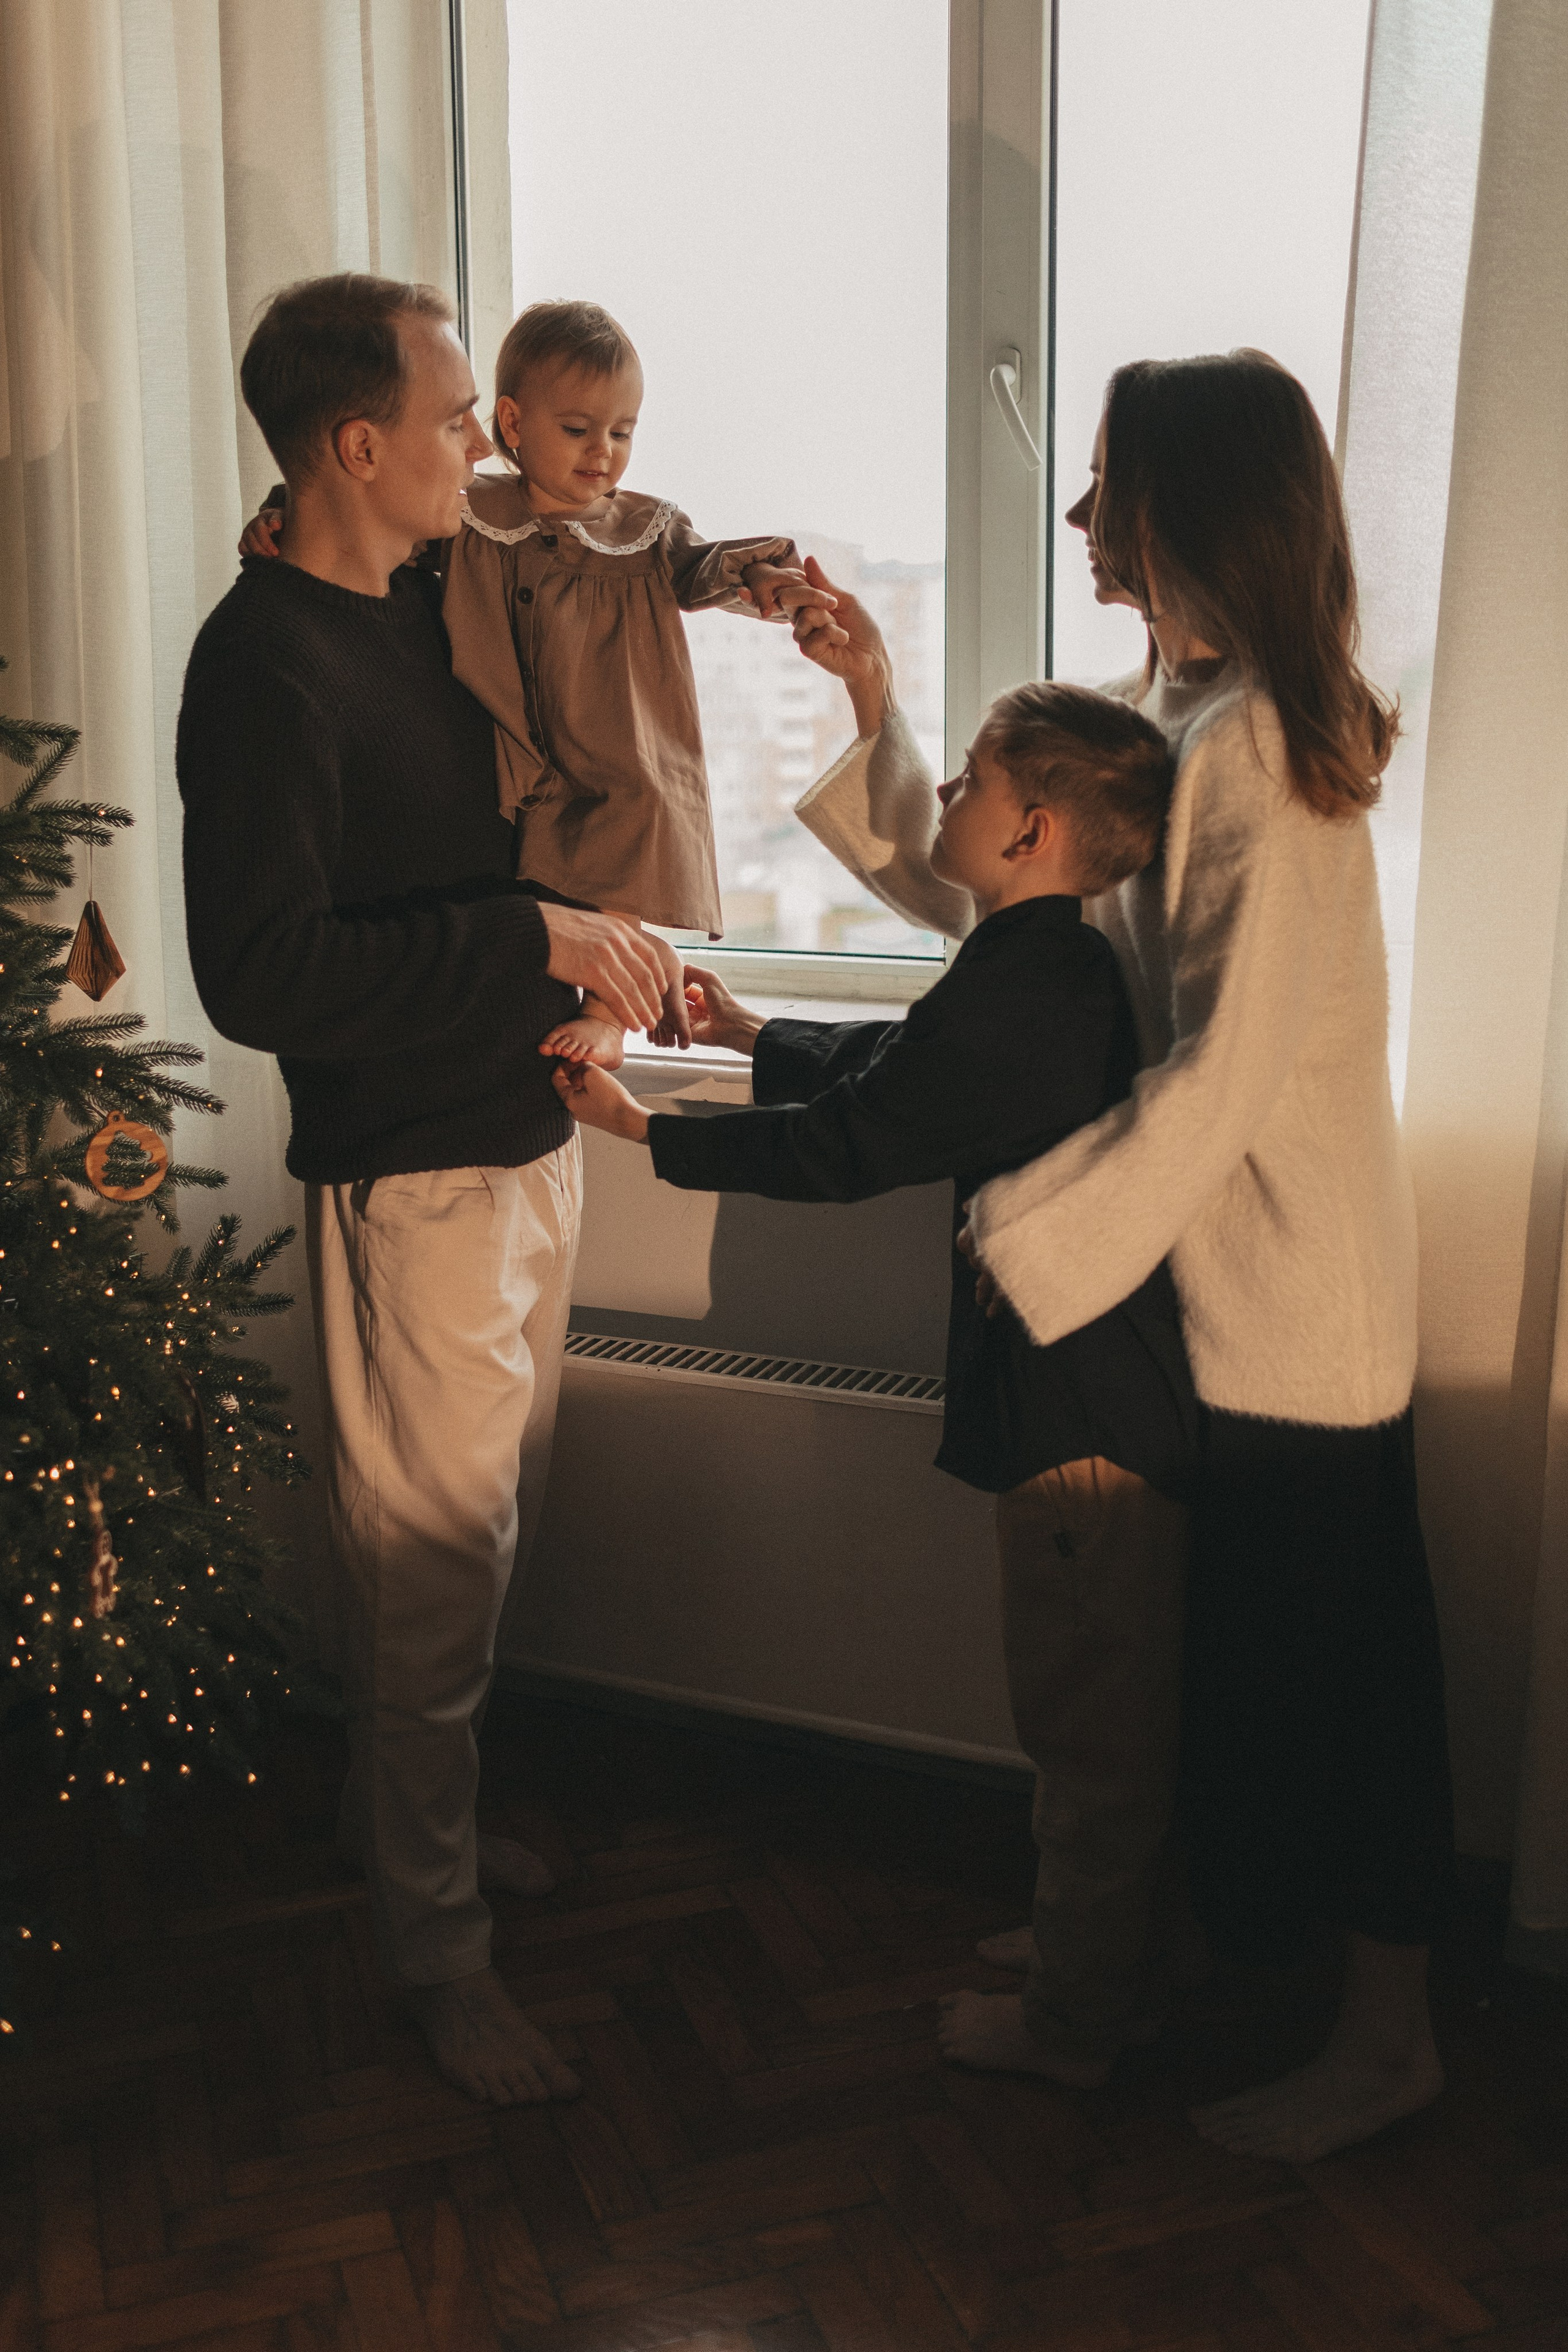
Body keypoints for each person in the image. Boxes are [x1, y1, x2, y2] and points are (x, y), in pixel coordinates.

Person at [788, 349, 1457, 2165]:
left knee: (1341, 1693)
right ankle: (1156, 1950)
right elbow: (1020, 896)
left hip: (1294, 1309)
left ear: (1192, 505)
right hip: (1207, 1294)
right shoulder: (1184, 713)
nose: (1081, 511)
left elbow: (1224, 1069)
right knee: (1216, 1681)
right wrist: (870, 700)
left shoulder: (1260, 751)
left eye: (1107, 481)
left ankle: (1386, 2042)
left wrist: (1020, 1241)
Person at [177, 271, 671, 2109]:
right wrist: (526, 935)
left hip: (522, 1131)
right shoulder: (262, 664)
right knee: (430, 1588)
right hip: (412, 1172)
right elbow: (261, 974)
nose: (484, 442)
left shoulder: (418, 595)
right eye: (458, 415)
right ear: (355, 443)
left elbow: (590, 566)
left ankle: (410, 1844)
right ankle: (436, 1952)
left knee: (477, 1551)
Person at [554, 682, 1199, 2087]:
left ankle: (1075, 2023)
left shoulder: (1037, 978)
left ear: (1029, 830)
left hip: (1084, 1421)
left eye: (966, 780)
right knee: (1077, 1710)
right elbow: (911, 1071)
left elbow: (858, 1138)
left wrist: (647, 1133)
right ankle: (1084, 1950)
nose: (944, 798)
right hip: (1079, 1399)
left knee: (1088, 1729)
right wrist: (747, 1035)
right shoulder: (1034, 963)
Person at [241, 297, 835, 1064]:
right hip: (509, 738)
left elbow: (705, 567)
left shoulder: (643, 527)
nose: (604, 453)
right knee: (536, 865)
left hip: (614, 735)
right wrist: (279, 515)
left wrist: (765, 580)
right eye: (579, 429)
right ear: (516, 424)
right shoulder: (468, 512)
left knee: (623, 839)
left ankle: (607, 1013)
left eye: (622, 432)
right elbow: (353, 521)